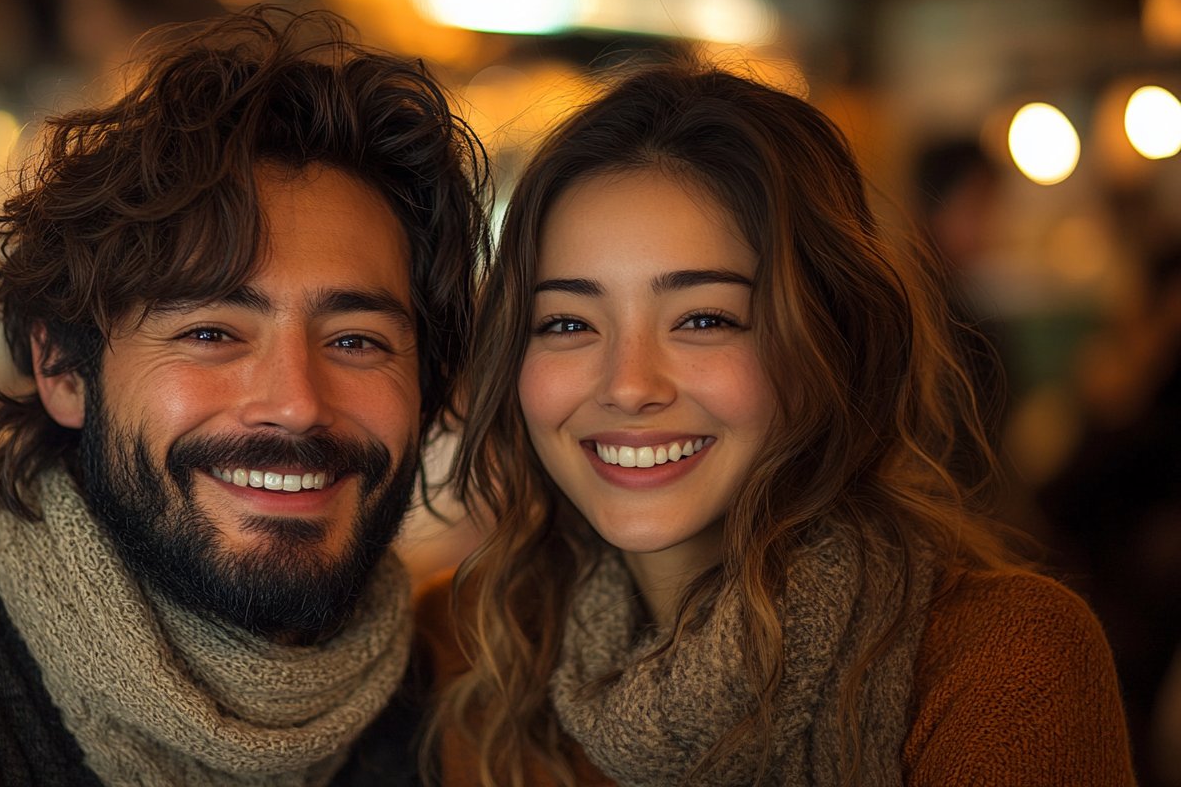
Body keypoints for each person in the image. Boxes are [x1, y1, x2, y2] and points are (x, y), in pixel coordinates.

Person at [0, 8, 488, 785]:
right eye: (212, 333)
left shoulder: (463, 714)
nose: (295, 404)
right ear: (62, 370)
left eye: (356, 341)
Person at [418, 63, 1134, 785]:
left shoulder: (1000, 663)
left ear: (830, 341)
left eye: (704, 319)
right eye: (568, 322)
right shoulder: (464, 641)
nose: (629, 386)